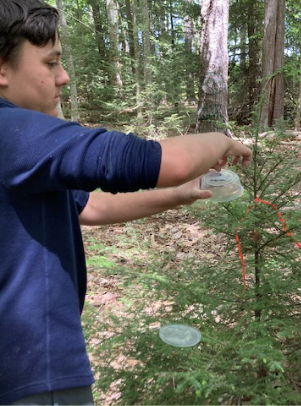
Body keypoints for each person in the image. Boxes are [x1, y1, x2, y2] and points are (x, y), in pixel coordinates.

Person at [0, 0, 252, 404]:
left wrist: (180, 194)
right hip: (35, 370)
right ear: (2, 68)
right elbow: (162, 160)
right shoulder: (15, 132)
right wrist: (221, 139)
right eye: (50, 64)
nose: (63, 77)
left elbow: (89, 207)